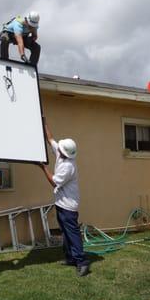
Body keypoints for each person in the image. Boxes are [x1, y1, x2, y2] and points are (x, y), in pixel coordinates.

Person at [38, 119, 90, 277]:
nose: (57, 148)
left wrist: (43, 167)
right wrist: (43, 121)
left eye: (59, 148)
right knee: (66, 233)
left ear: (63, 152)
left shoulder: (68, 166)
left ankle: (82, 262)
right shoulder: (62, 154)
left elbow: (54, 182)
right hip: (61, 203)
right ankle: (70, 258)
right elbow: (50, 139)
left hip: (68, 206)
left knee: (72, 234)